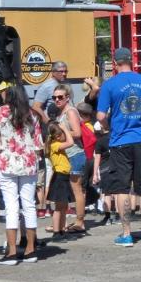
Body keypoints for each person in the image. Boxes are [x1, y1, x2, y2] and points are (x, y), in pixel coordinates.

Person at [96, 47, 141, 248]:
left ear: (115, 64)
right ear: (131, 61)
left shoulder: (109, 85)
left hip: (120, 142)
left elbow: (100, 116)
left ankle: (126, 234)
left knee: (122, 187)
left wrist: (109, 127)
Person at [0, 85, 43, 265]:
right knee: (29, 205)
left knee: (11, 206)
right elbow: (38, 143)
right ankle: (30, 250)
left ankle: (12, 252)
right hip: (28, 163)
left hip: (6, 162)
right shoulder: (32, 114)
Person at [52, 85, 87, 235]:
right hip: (67, 155)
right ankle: (61, 224)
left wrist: (61, 133)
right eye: (54, 97)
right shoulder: (62, 113)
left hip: (75, 154)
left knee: (76, 189)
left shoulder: (71, 111)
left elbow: (77, 133)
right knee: (67, 190)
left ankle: (80, 222)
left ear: (67, 97)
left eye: (60, 97)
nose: (57, 100)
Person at [45, 123, 74, 243]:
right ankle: (56, 232)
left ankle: (62, 230)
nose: (65, 136)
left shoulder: (56, 144)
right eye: (62, 134)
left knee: (63, 207)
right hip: (59, 178)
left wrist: (64, 130)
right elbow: (71, 142)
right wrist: (66, 129)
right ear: (57, 136)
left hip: (64, 177)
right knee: (58, 207)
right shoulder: (55, 145)